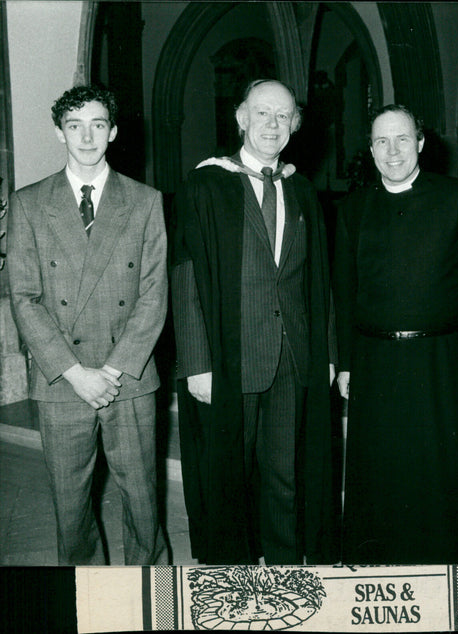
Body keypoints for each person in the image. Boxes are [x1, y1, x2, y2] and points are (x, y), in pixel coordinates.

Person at [170, 79, 337, 564]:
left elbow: (318, 281)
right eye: (262, 113)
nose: (271, 124)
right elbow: (186, 276)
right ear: (241, 117)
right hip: (231, 354)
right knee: (230, 474)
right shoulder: (207, 184)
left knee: (285, 474)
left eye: (282, 116)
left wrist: (325, 354)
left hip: (293, 356)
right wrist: (197, 363)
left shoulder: (302, 190)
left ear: (294, 126)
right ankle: (232, 581)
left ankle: (285, 574)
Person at [7, 85, 168, 565]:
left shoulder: (144, 201)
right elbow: (25, 297)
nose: (87, 136)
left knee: (142, 500)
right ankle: (87, 596)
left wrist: (113, 370)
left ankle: (152, 592)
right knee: (70, 506)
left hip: (130, 378)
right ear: (60, 132)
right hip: (63, 381)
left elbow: (153, 293)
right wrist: (76, 372)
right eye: (74, 125)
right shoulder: (30, 203)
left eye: (98, 124)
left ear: (113, 132)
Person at [333, 104, 458, 563]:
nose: (393, 151)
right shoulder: (352, 209)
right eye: (382, 141)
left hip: (441, 359)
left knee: (440, 474)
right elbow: (343, 295)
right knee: (382, 473)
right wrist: (345, 362)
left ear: (421, 143)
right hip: (374, 360)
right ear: (370, 149)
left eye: (403, 139)